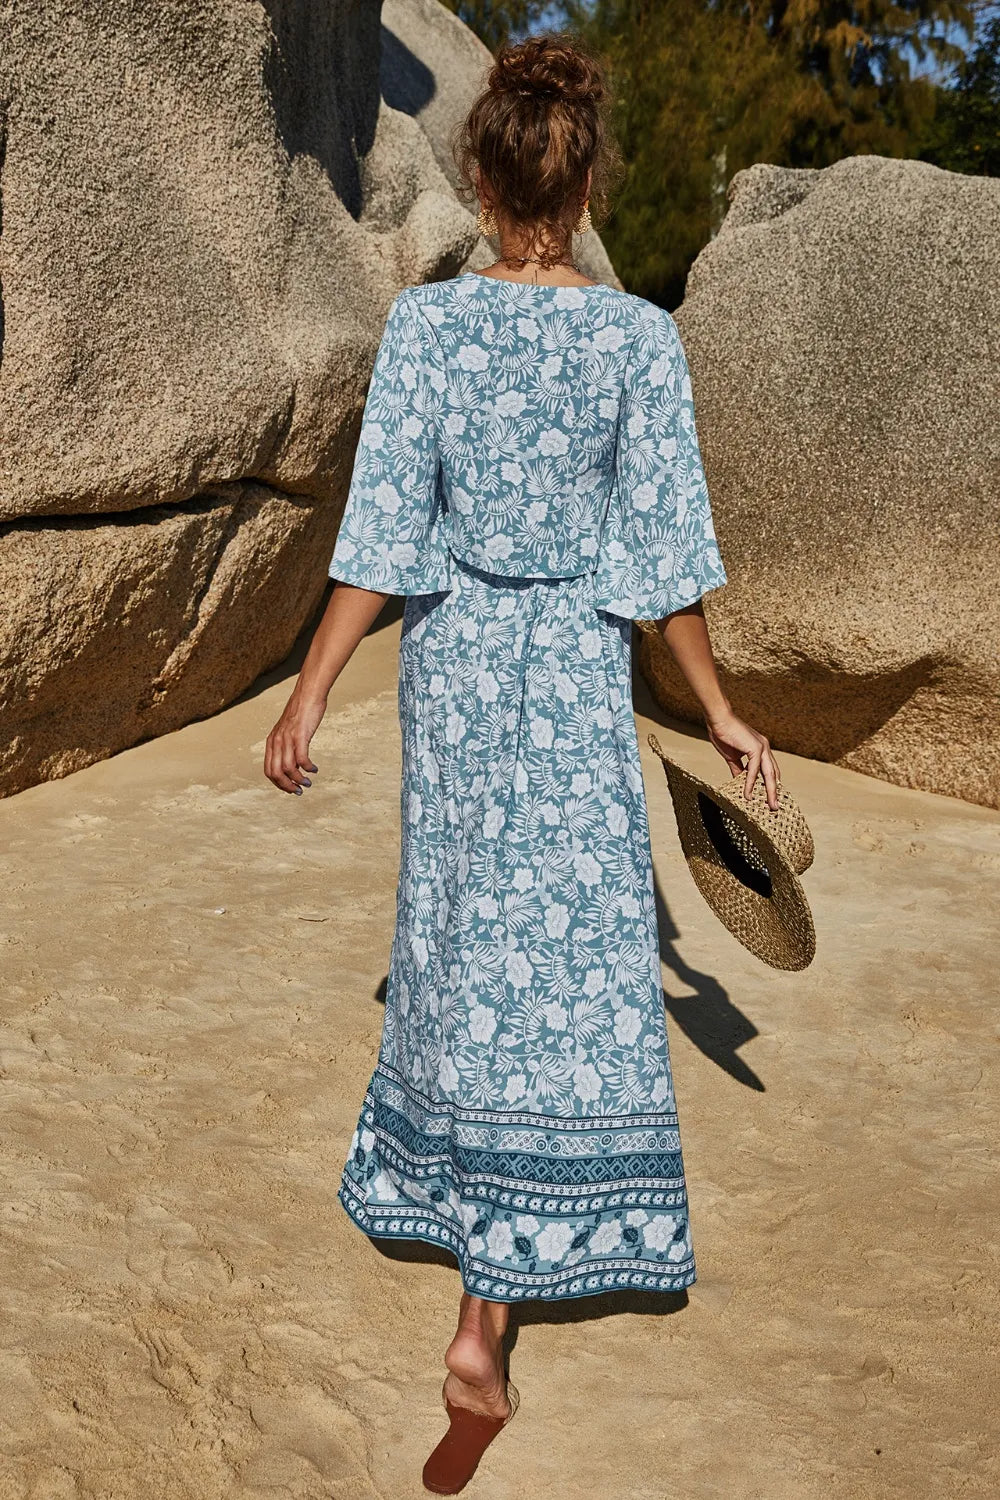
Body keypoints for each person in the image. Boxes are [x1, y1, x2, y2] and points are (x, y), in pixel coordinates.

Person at [265, 31, 779, 1496]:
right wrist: (723, 714)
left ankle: (471, 1273)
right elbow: (661, 572)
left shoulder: (430, 332)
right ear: (587, 177)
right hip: (565, 679)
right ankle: (503, 1295)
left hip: (460, 667)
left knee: (460, 932)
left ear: (482, 178)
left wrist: (306, 699)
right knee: (571, 947)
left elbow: (377, 544)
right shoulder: (638, 341)